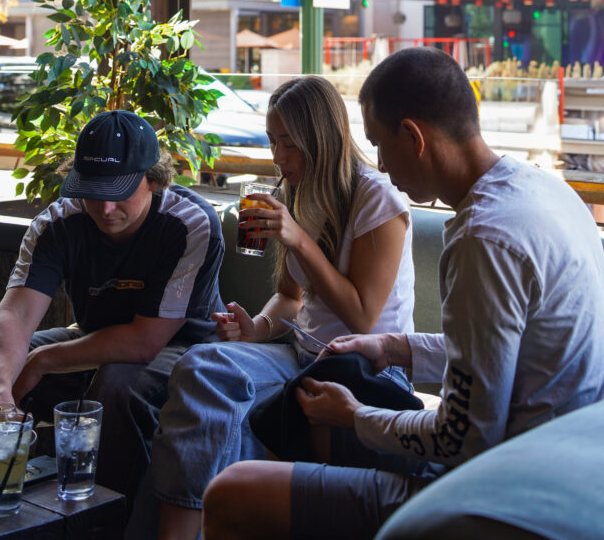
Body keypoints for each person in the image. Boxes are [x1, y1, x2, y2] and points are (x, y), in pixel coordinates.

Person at [201, 48, 604, 540]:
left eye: (378, 144)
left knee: (233, 491)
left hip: (505, 485)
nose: (380, 165)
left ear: (413, 137)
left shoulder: (484, 236)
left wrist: (355, 415)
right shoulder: (549, 192)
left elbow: (463, 436)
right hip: (578, 456)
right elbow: (496, 353)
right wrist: (393, 347)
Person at [133, 74, 417, 540]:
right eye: (272, 141)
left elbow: (363, 316)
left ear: (321, 137)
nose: (278, 157)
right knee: (200, 364)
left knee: (211, 378)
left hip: (365, 365)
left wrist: (298, 239)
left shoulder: (375, 198)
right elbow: (290, 298)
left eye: (289, 143)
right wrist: (256, 328)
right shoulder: (298, 193)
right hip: (302, 355)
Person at [0, 108, 225, 506]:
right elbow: (15, 314)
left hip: (184, 347)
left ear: (153, 180)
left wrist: (40, 362)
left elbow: (143, 343)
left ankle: (102, 520)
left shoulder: (190, 224)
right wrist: (0, 387)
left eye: (119, 191)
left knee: (118, 383)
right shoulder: (58, 223)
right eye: (94, 191)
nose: (105, 209)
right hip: (92, 339)